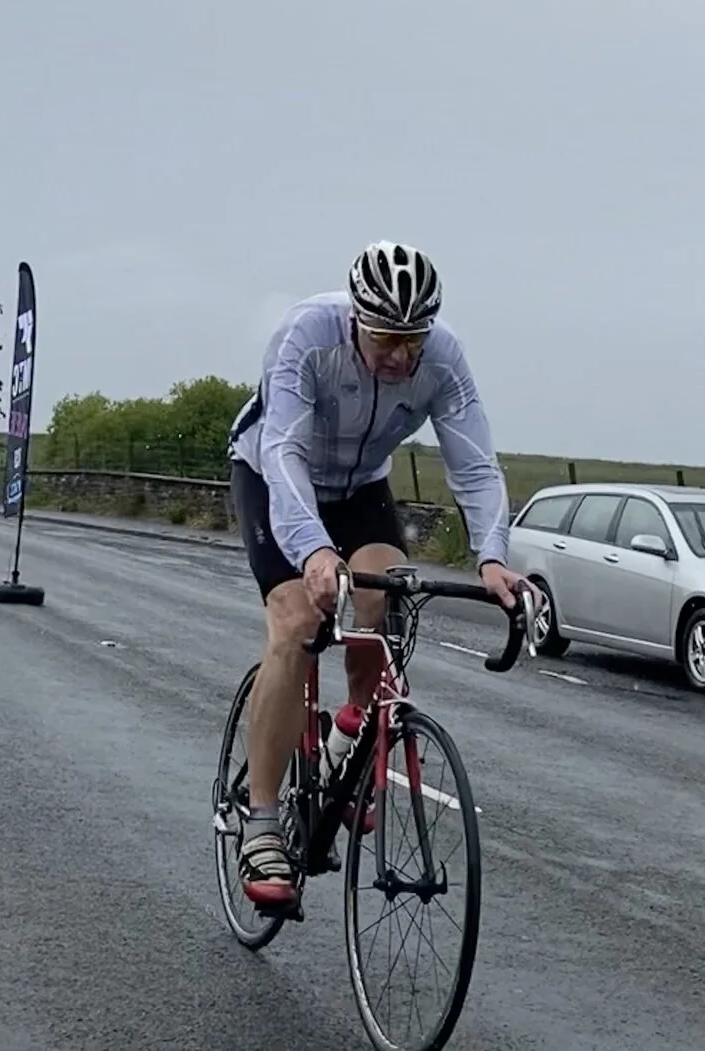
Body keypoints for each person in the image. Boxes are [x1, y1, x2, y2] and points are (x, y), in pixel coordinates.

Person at [226, 242, 524, 909]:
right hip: (274, 476)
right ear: (356, 319)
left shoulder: (442, 358)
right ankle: (263, 820)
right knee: (297, 624)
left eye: (412, 338)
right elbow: (284, 448)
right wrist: (312, 551)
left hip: (360, 486)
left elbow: (476, 464)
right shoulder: (307, 336)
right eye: (386, 337)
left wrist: (492, 556)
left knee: (384, 602)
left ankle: (346, 747)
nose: (399, 355)